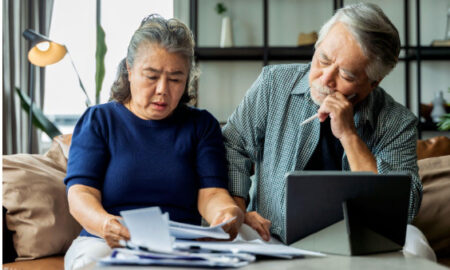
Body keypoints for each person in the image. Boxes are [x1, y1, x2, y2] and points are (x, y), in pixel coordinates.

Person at [222, 3, 423, 245]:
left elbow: (403, 210)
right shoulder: (273, 84)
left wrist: (349, 136)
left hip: (361, 240)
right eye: (323, 59)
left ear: (373, 83)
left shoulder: (397, 122)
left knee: (415, 243)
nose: (326, 79)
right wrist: (238, 208)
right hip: (271, 234)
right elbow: (233, 145)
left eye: (346, 75)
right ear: (317, 46)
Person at [64, 14, 244, 270]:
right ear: (129, 69)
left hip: (179, 246)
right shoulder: (99, 120)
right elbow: (80, 194)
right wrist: (106, 224)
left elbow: (212, 193)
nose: (162, 89)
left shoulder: (201, 125)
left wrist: (225, 214)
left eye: (175, 79)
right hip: (105, 241)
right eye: (151, 76)